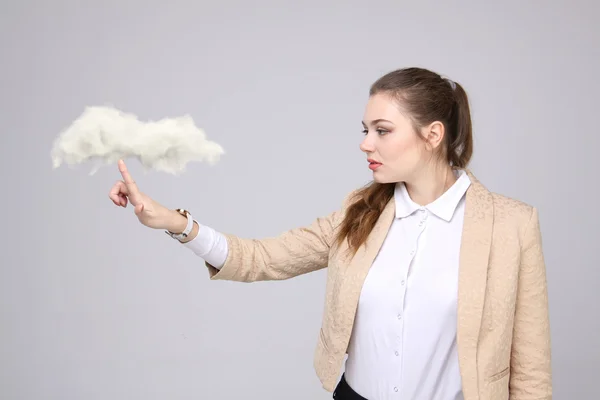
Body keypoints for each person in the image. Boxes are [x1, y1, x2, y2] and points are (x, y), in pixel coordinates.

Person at [108, 67, 552, 400]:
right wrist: (176, 223)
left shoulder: (510, 225)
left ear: (432, 134)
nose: (365, 143)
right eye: (365, 131)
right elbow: (261, 258)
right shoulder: (357, 213)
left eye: (382, 131)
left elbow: (530, 370)